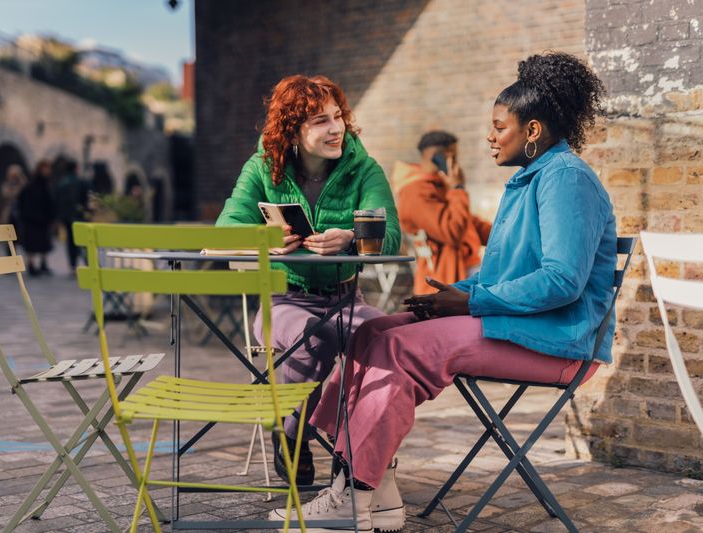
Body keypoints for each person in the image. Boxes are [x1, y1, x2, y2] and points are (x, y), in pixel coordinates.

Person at [271, 52, 615, 533]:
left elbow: (562, 280)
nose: (489, 137)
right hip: (517, 325)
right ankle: (378, 491)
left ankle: (354, 493)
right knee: (373, 331)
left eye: (499, 126)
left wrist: (471, 302)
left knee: (400, 347)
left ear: (532, 131)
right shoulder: (528, 180)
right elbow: (503, 272)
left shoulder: (566, 180)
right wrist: (453, 294)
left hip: (559, 343)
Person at [216, 74, 401, 486]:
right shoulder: (264, 167)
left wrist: (353, 237)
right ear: (293, 130)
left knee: (384, 337)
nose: (335, 128)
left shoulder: (364, 168)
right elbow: (226, 227)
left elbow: (391, 235)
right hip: (281, 300)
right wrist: (263, 238)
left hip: (346, 299)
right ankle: (294, 436)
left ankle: (355, 445)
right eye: (319, 120)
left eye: (337, 117)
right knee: (311, 334)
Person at [391, 130, 492, 291]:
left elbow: (468, 221)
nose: (456, 163)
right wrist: (457, 188)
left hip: (469, 265)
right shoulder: (415, 192)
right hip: (447, 274)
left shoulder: (440, 184)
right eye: (452, 157)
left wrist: (504, 234)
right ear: (439, 157)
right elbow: (452, 231)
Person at [17, 159, 56, 276]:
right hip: (31, 219)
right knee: (31, 243)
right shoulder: (31, 185)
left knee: (43, 242)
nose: (48, 171)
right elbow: (22, 200)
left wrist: (51, 216)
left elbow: (50, 202)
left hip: (43, 219)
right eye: (46, 168)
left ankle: (43, 264)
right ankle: (31, 264)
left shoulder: (47, 184)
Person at [55, 159, 89, 272]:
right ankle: (87, 263)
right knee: (83, 241)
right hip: (78, 216)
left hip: (65, 217)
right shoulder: (80, 182)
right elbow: (86, 199)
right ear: (75, 168)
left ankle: (73, 266)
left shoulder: (61, 183)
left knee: (70, 241)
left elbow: (57, 200)